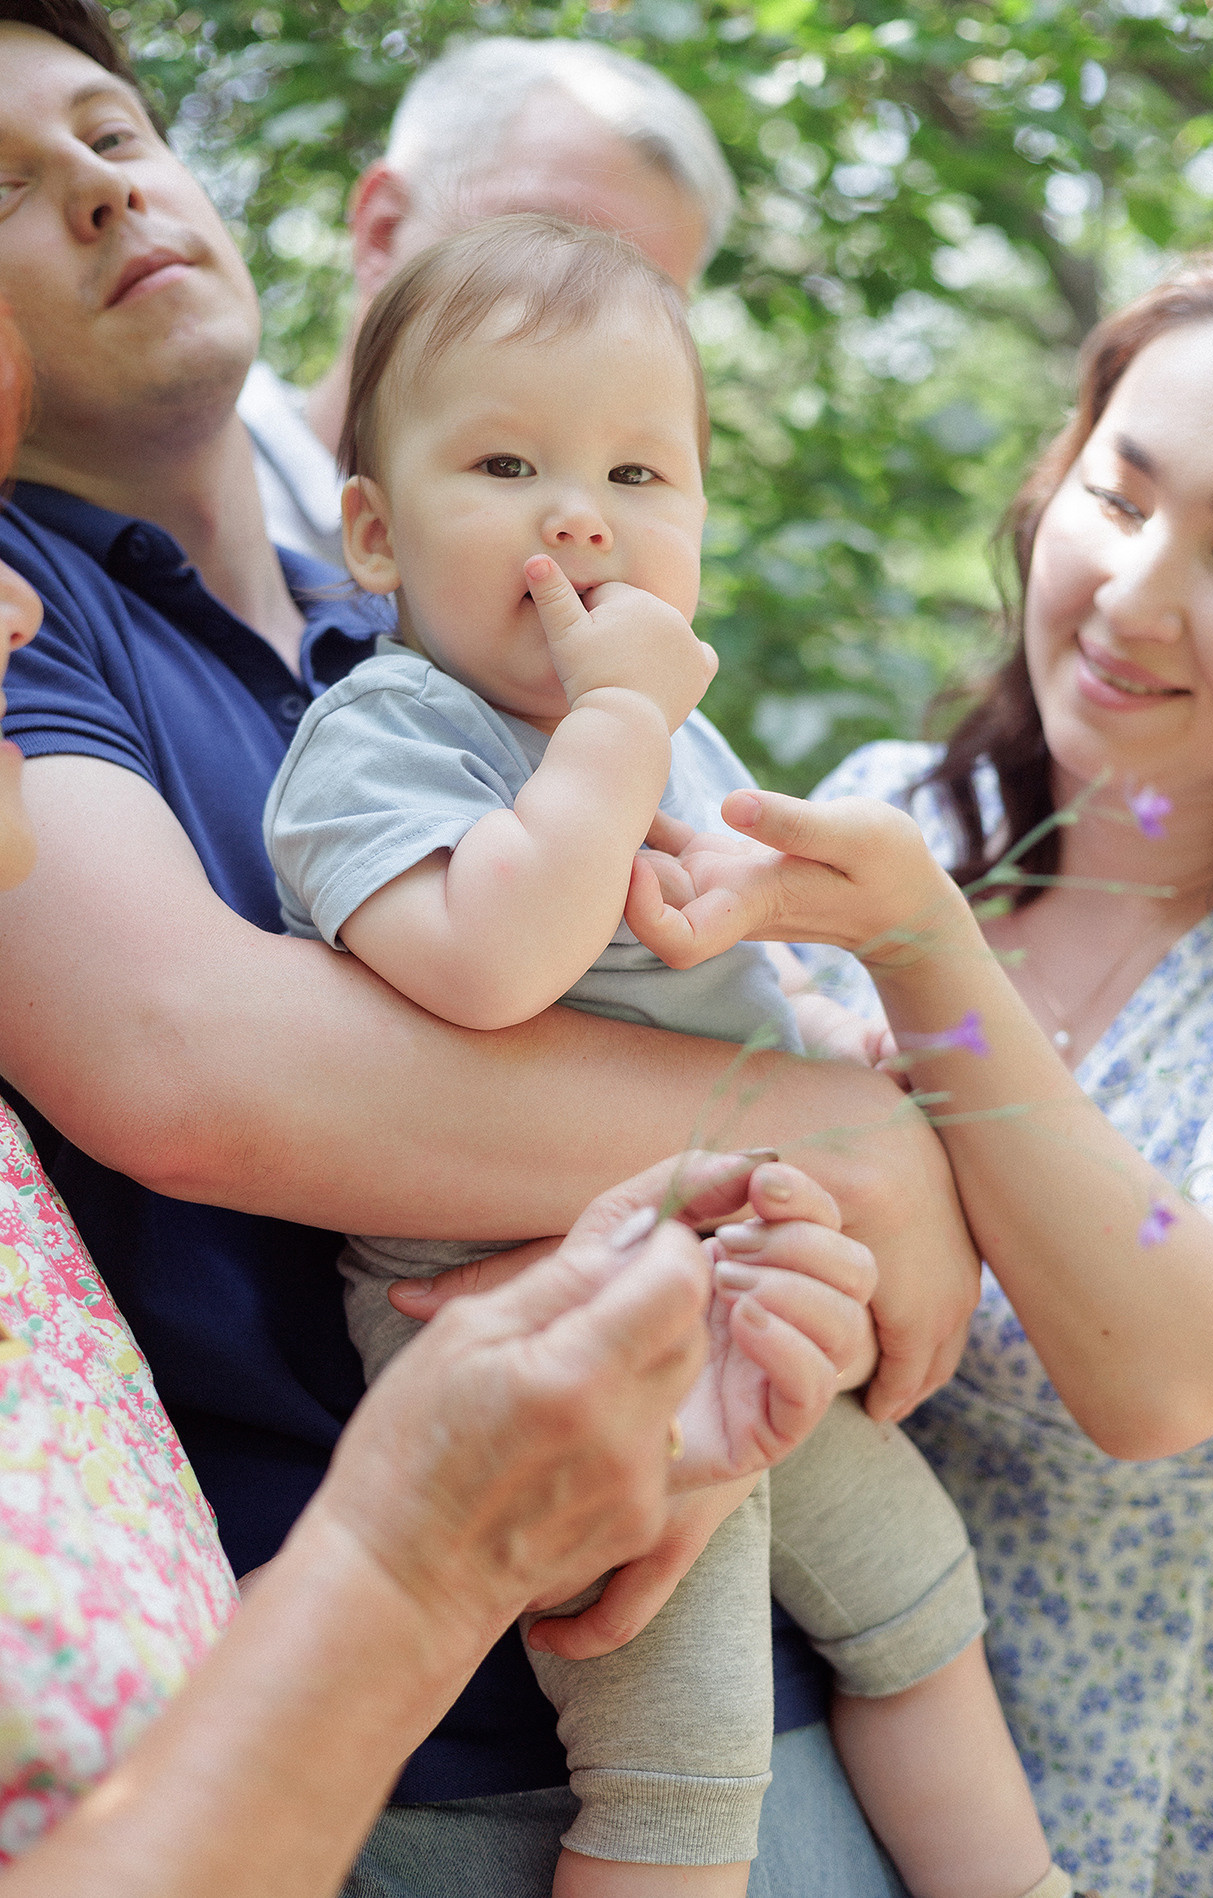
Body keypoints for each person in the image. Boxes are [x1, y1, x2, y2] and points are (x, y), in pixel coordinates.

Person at [0, 6, 983, 1890]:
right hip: (427, 1726)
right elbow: (190, 1066)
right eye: (7, 183)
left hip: (741, 1573)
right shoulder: (31, 625)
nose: (107, 182)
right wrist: (848, 1137)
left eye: (116, 123)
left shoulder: (394, 628)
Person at [263, 213, 1068, 1898]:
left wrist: (827, 1019)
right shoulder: (382, 734)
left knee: (921, 1596)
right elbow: (492, 962)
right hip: (535, 1318)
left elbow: (719, 962)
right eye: (506, 460)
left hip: (733, 1276)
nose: (580, 513)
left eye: (640, 474)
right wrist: (617, 723)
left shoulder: (672, 733)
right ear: (375, 530)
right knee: (680, 1749)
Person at [613, 225, 1213, 1893]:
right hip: (767, 1798)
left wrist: (925, 958)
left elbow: (1174, 1374)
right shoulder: (889, 809)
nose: (1129, 591)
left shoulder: (899, 896)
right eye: (1119, 497)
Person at [239, 34, 736, 565]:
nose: (592, 323)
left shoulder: (606, 581)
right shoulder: (175, 499)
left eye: (647, 302)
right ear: (382, 232)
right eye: (537, 251)